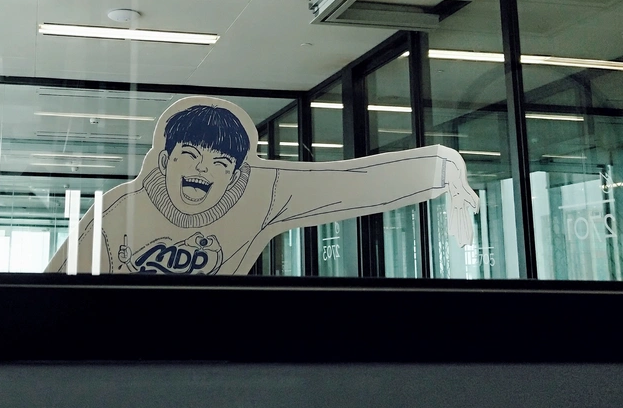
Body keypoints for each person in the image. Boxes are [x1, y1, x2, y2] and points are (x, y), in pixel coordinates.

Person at [46, 96, 478, 275]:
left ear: (235, 174)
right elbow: (58, 296)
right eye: (190, 155)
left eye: (220, 162)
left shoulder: (262, 193)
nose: (203, 169)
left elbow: (350, 185)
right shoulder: (120, 211)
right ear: (165, 161)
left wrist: (444, 169)